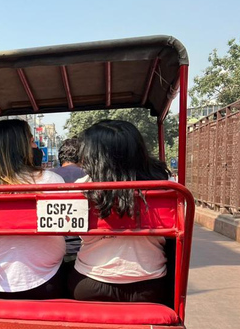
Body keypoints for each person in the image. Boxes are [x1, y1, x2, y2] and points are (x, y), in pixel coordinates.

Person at [68, 120, 170, 303]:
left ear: (93, 156)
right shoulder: (166, 188)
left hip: (89, 283)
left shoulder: (80, 189)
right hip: (151, 286)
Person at [0, 119, 66, 299]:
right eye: (32, 141)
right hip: (46, 281)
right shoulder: (51, 180)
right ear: (21, 147)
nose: (36, 146)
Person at [52, 138, 87, 262]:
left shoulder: (48, 176)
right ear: (83, 157)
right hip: (84, 247)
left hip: (53, 247)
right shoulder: (91, 176)